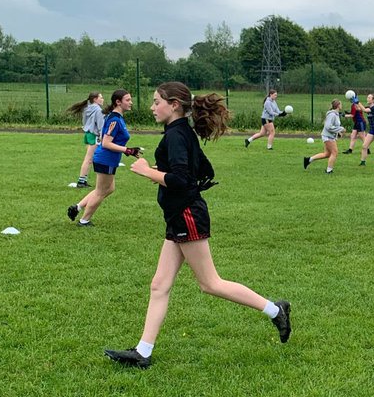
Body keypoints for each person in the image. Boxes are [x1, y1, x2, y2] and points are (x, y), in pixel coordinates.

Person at [104, 83, 291, 368]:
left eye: (157, 102)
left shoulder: (178, 135)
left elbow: (181, 179)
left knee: (210, 283)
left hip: (186, 216)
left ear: (175, 104)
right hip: (179, 215)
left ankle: (275, 310)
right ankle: (143, 352)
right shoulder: (180, 133)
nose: (153, 108)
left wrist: (149, 171)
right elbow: (205, 171)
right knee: (159, 285)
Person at [67, 90, 140, 226]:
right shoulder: (114, 119)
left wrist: (128, 150)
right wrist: (127, 150)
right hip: (105, 158)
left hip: (109, 159)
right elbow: (106, 143)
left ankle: (77, 207)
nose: (131, 102)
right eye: (128, 100)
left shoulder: (117, 118)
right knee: (101, 192)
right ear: (118, 102)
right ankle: (84, 220)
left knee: (109, 188)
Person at [67, 91, 104, 187]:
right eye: (101, 97)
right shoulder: (98, 110)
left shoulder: (87, 108)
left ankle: (83, 180)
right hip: (94, 136)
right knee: (88, 159)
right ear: (95, 99)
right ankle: (81, 181)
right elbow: (101, 126)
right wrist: (102, 136)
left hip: (88, 134)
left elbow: (85, 122)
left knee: (89, 159)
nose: (103, 99)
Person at [304, 100, 343, 173]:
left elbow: (333, 126)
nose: (342, 105)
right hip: (328, 136)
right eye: (341, 104)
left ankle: (308, 160)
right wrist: (340, 129)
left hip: (329, 136)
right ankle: (329, 170)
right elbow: (328, 127)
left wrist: (338, 132)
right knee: (334, 153)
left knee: (327, 154)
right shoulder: (332, 114)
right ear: (338, 105)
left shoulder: (336, 114)